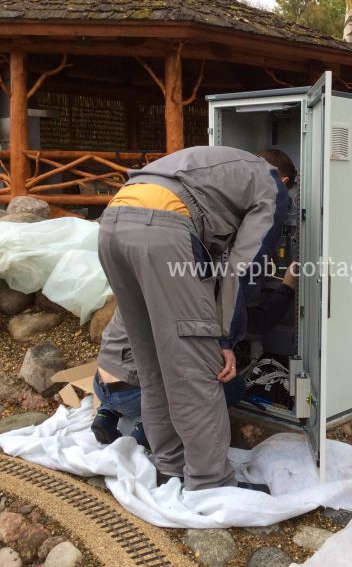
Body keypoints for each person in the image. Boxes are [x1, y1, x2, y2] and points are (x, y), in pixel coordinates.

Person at [97, 146, 295, 492]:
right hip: (161, 232)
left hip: (112, 223)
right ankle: (211, 482)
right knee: (196, 371)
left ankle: (170, 467)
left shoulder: (221, 165)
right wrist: (226, 338)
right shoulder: (270, 182)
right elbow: (243, 267)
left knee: (153, 366)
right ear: (286, 180)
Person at [91, 264, 298, 449]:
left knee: (144, 363)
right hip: (134, 393)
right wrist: (287, 285)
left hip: (101, 384)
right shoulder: (200, 297)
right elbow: (260, 322)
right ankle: (151, 428)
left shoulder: (149, 278)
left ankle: (106, 414)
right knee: (233, 388)